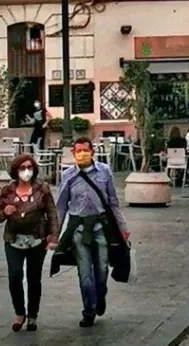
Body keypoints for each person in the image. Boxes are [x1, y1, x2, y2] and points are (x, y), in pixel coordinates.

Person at [56, 137, 129, 328]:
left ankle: (100, 295)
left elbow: (113, 202)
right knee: (85, 274)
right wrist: (54, 235)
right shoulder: (68, 176)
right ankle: (89, 310)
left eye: (85, 150)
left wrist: (123, 228)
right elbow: (61, 207)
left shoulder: (104, 171)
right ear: (73, 153)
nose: (81, 154)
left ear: (92, 152)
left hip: (101, 227)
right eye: (77, 151)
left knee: (102, 270)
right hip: (79, 230)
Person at [0, 153, 58, 332]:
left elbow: (52, 213)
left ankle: (32, 315)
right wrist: (5, 212)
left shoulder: (42, 189)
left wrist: (53, 236)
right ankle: (19, 312)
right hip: (13, 240)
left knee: (33, 277)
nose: (26, 171)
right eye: (22, 168)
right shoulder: (7, 190)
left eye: (29, 168)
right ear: (15, 171)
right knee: (15, 276)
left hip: (36, 240)